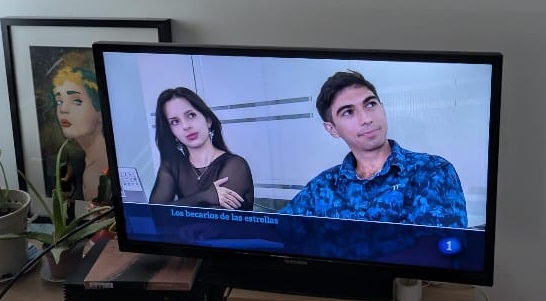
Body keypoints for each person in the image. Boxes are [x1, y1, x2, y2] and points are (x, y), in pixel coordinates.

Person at [280, 70, 467, 228]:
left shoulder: (432, 172)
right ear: (332, 129)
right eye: (348, 112)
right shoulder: (322, 187)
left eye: (370, 104)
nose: (366, 119)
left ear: (382, 109)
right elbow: (276, 231)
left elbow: (438, 250)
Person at [149, 87, 254, 210]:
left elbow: (212, 219)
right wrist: (202, 197)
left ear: (208, 120)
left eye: (191, 115)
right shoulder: (172, 166)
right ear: (172, 132)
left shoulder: (235, 165)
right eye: (175, 122)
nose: (186, 126)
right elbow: (155, 212)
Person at [51, 59, 108, 202]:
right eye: (59, 101)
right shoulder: (86, 161)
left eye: (76, 101)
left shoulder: (98, 175)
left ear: (101, 112)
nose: (63, 109)